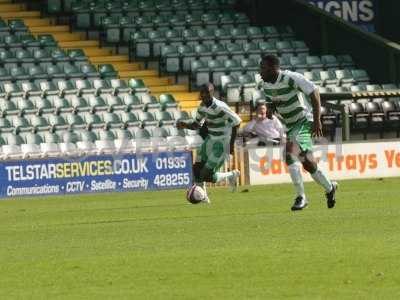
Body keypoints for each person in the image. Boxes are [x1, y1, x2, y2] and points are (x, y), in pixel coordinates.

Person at [259, 54, 337, 211]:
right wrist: (270, 109)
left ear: (274, 68)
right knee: (307, 163)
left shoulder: (291, 78)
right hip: (289, 126)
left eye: (263, 68)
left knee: (289, 154)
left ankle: (301, 197)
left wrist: (317, 120)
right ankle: (330, 188)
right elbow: (271, 101)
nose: (260, 72)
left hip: (303, 121)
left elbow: (314, 92)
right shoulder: (266, 85)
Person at [177, 83, 241, 202]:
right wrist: (184, 124)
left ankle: (232, 175)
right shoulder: (201, 107)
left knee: (206, 174)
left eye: (207, 92)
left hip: (222, 143)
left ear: (212, 93)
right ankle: (204, 197)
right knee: (197, 170)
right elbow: (197, 125)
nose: (204, 95)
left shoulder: (220, 106)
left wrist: (231, 145)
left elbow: (237, 122)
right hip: (209, 140)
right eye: (202, 92)